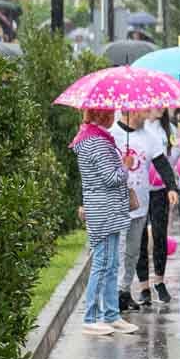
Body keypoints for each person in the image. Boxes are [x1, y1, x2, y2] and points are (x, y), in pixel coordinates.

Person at [73, 108, 139, 336]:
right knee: (103, 263)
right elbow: (111, 178)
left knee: (111, 264)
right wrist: (125, 166)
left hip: (104, 208)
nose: (113, 116)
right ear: (103, 116)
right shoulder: (96, 142)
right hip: (104, 209)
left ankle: (110, 314)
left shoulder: (93, 138)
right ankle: (91, 317)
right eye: (110, 112)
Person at [110, 109, 174, 311]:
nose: (147, 115)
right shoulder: (111, 135)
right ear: (131, 111)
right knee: (118, 251)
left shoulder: (149, 136)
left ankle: (125, 291)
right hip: (115, 204)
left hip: (139, 205)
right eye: (144, 111)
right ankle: (116, 294)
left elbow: (162, 164)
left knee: (132, 252)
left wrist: (171, 187)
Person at [136, 109, 179, 305]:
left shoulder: (169, 129)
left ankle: (159, 281)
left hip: (160, 190)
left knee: (160, 235)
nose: (161, 108)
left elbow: (174, 154)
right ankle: (144, 286)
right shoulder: (138, 127)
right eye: (157, 103)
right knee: (140, 237)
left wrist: (171, 184)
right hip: (141, 191)